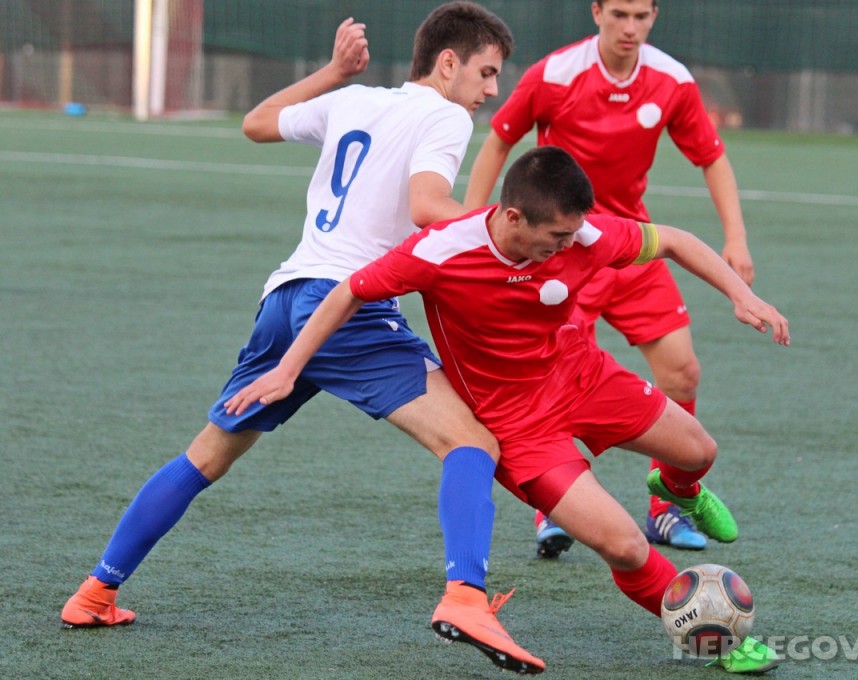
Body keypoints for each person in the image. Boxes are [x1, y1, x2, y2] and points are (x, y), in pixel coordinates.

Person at [59, 4, 545, 674]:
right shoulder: (445, 116)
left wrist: (334, 71)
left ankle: (94, 593)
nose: (492, 89)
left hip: (286, 299)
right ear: (448, 62)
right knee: (472, 443)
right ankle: (465, 598)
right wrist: (509, 236)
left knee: (205, 457)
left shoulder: (353, 99)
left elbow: (256, 123)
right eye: (486, 73)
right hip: (349, 308)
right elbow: (429, 207)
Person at [225, 146, 786, 674]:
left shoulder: (583, 235)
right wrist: (289, 368)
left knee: (699, 451)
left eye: (573, 233)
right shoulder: (441, 250)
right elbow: (348, 291)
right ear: (513, 217)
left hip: (584, 377)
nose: (569, 245)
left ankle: (678, 490)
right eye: (557, 236)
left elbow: (675, 241)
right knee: (623, 545)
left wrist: (742, 295)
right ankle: (716, 638)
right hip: (519, 428)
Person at [465, 0, 752, 557]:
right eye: (619, 13)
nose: (630, 27)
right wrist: (471, 225)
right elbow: (499, 139)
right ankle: (556, 506)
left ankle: (667, 507)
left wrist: (735, 237)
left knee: (683, 372)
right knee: (561, 384)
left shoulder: (671, 80)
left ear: (655, 16)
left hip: (631, 247)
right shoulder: (555, 74)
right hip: (563, 254)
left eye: (641, 16)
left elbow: (712, 158)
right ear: (596, 11)